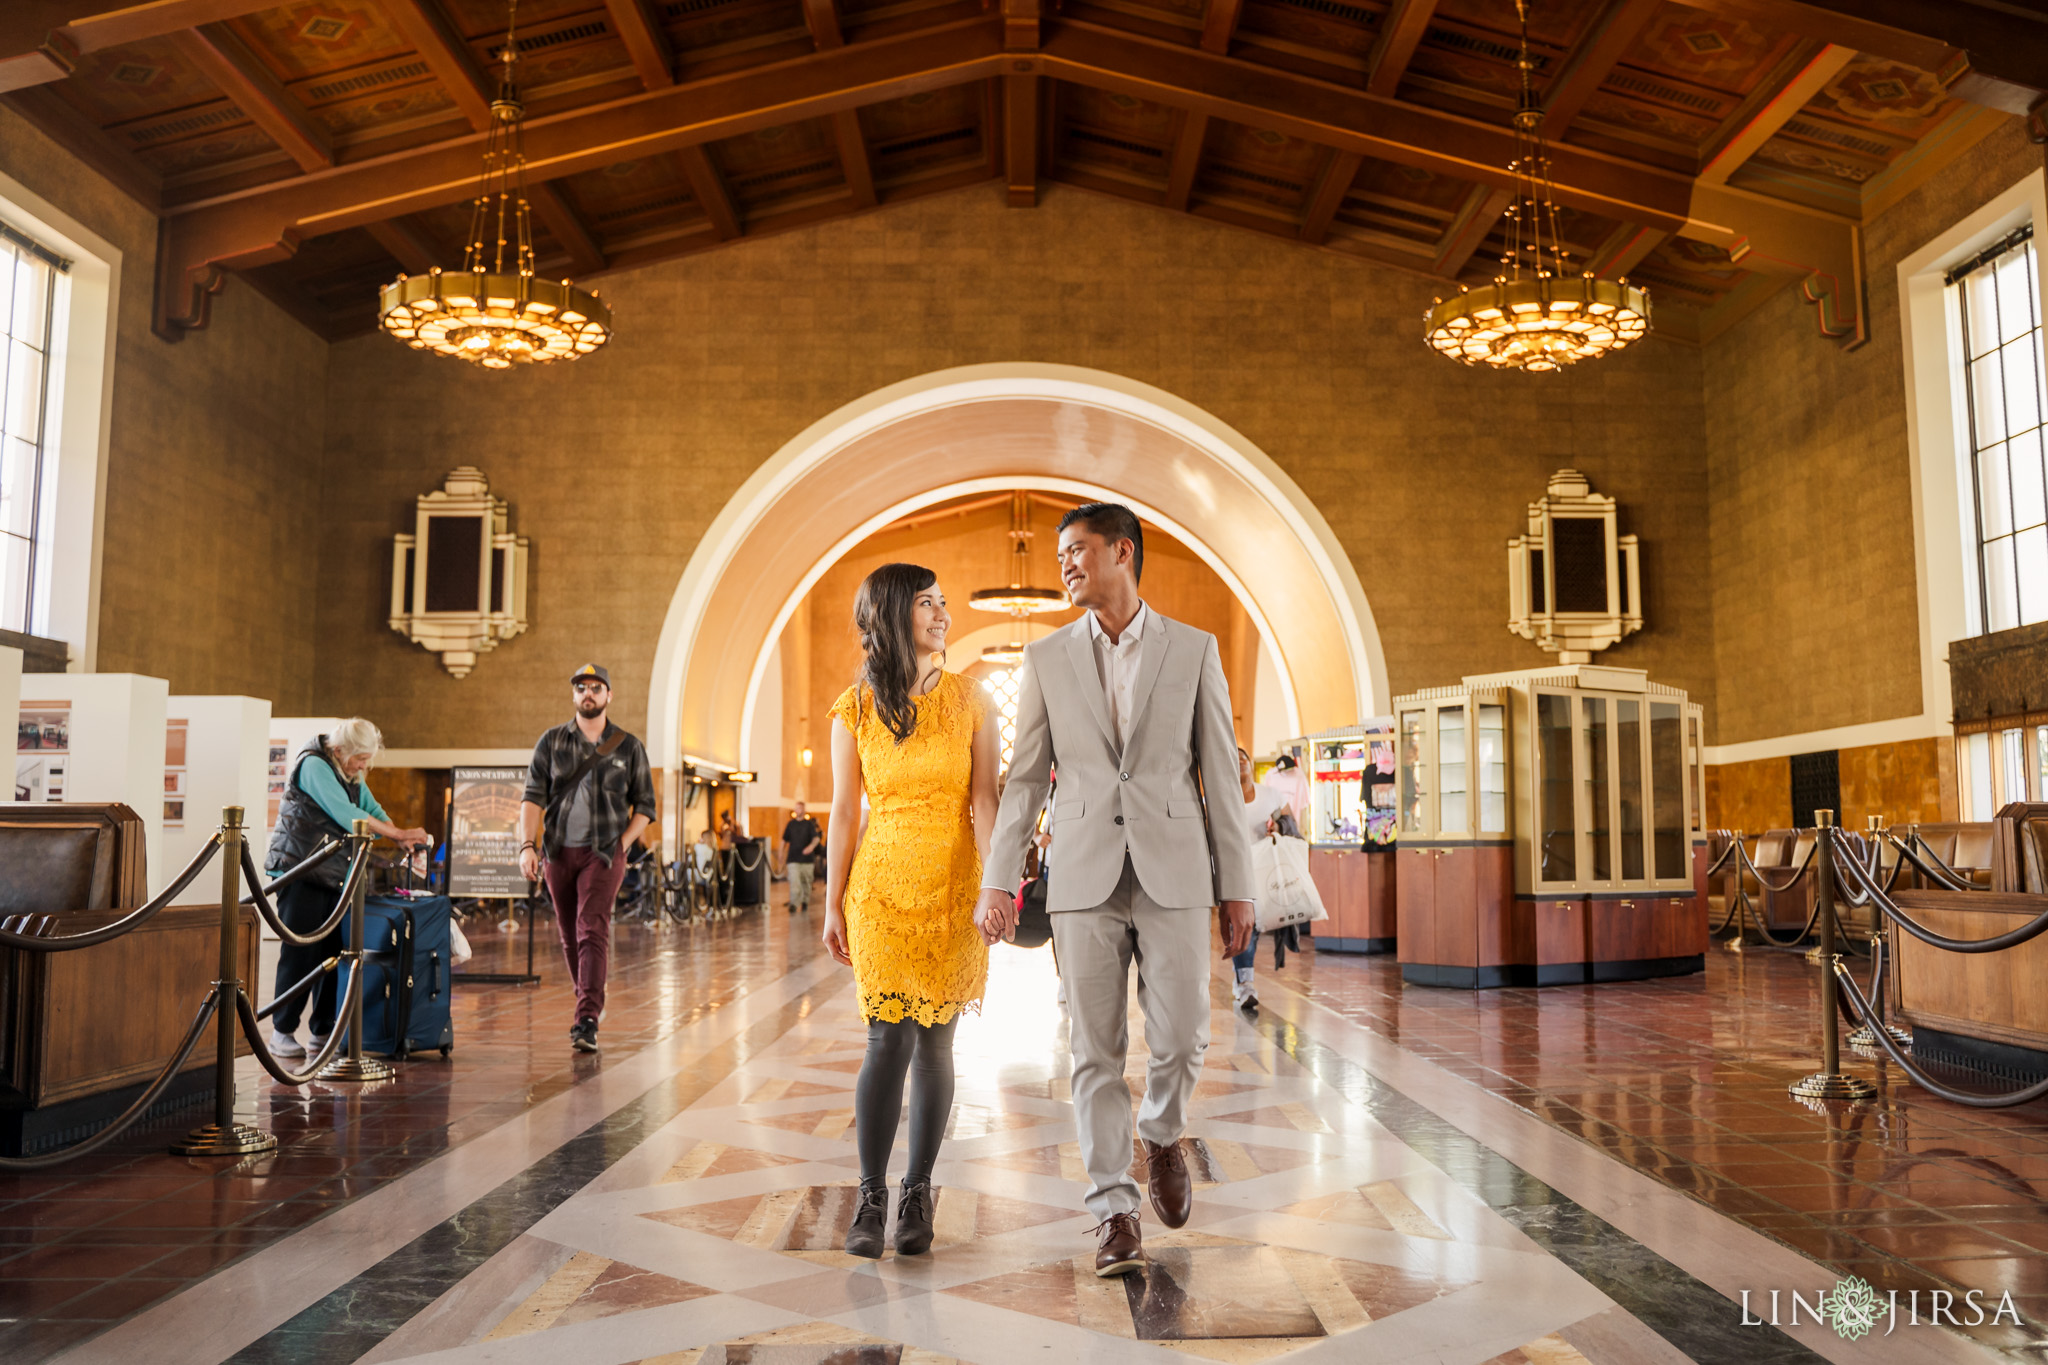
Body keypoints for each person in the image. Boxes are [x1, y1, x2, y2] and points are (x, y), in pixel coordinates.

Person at [975, 502, 1255, 1279]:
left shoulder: (1193, 650)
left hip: (1175, 869)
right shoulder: (1047, 660)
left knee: (1185, 1035)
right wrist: (1000, 879)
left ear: (1122, 553)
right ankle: (1114, 1210)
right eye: (1060, 554)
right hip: (1083, 874)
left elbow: (1220, 780)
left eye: (1078, 551)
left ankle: (1162, 1131)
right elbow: (1026, 778)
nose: (1064, 565)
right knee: (1092, 1050)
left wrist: (1240, 887)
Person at [822, 563, 1000, 1260]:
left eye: (944, 602)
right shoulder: (855, 706)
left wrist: (996, 886)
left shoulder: (972, 699)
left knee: (937, 1042)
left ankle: (917, 1191)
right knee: (884, 1039)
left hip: (955, 885)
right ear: (894, 614)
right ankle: (870, 1192)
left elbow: (985, 797)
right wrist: (833, 901)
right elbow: (843, 809)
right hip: (882, 891)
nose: (942, 613)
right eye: (927, 603)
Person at [264, 718, 428, 1059]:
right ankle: (282, 1031)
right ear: (339, 751)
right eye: (360, 759)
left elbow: (370, 808)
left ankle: (322, 1031)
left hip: (336, 874)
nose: (364, 766)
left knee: (332, 953)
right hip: (302, 871)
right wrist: (398, 834)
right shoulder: (314, 764)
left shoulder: (350, 771)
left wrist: (401, 836)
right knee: (300, 953)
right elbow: (346, 814)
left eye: (366, 759)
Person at [518, 664, 657, 1054]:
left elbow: (645, 805)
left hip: (603, 853)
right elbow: (532, 798)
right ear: (574, 695)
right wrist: (527, 846)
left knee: (590, 926)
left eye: (596, 688)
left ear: (609, 695)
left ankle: (586, 1019)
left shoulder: (628, 746)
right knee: (568, 934)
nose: (588, 694)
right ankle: (590, 992)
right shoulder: (551, 742)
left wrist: (623, 845)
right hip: (558, 852)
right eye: (581, 688)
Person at [1232, 745, 1293, 1013]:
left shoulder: (1271, 796)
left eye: (1244, 756)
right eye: (1234, 757)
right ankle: (1245, 984)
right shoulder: (1220, 797)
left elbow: (1290, 824)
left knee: (1253, 926)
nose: (1241, 760)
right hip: (1235, 872)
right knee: (1244, 925)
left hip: (1266, 869)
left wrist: (1278, 827)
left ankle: (1243, 982)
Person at [782, 801, 822, 914]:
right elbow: (784, 840)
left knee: (806, 882)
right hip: (793, 858)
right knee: (794, 881)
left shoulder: (809, 824)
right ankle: (794, 904)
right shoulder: (790, 824)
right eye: (796, 808)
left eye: (800, 808)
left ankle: (805, 901)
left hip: (807, 860)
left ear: (803, 810)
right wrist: (781, 853)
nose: (798, 810)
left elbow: (816, 838)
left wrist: (811, 847)